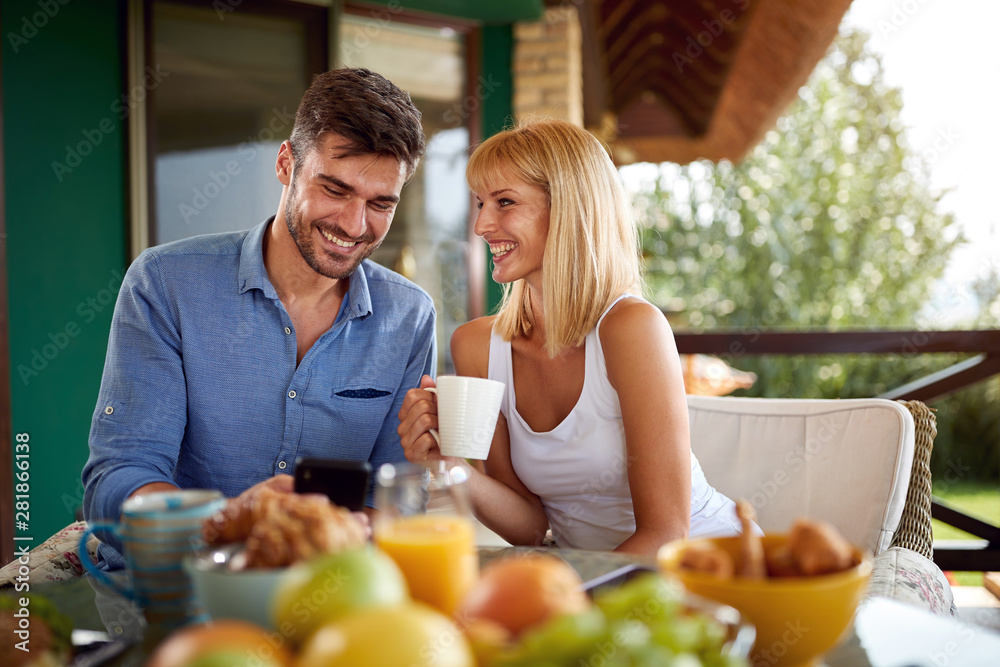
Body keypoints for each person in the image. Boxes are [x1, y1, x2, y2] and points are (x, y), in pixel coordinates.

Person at [83, 67, 435, 569]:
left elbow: (397, 496)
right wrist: (234, 521)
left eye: (380, 203)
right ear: (286, 164)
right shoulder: (164, 284)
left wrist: (335, 533)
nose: (355, 226)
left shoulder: (410, 316)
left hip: (329, 597)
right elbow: (117, 481)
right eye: (335, 190)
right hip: (177, 595)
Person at [397, 118, 746, 555]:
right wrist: (447, 465)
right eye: (480, 203)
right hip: (594, 583)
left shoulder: (632, 330)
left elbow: (665, 534)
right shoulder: (476, 346)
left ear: (567, 209)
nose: (482, 225)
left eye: (505, 202)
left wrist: (567, 605)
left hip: (700, 565)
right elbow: (527, 526)